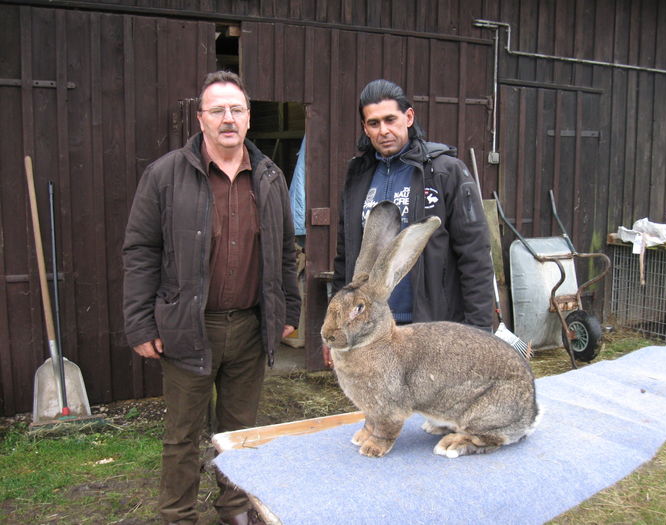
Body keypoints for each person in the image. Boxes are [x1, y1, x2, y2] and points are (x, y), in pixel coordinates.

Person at [122, 71, 300, 525]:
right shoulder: (164, 175)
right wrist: (141, 324)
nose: (227, 118)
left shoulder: (270, 177)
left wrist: (288, 310)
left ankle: (234, 508)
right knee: (182, 435)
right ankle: (177, 515)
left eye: (236, 109)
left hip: (248, 326)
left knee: (240, 432)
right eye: (217, 109)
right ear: (200, 118)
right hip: (187, 326)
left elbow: (283, 251)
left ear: (247, 120)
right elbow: (141, 251)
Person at [326, 79, 494, 366]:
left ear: (409, 117)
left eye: (391, 119)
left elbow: (475, 257)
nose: (384, 131)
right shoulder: (358, 176)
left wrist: (478, 333)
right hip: (371, 331)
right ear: (365, 129)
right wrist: (337, 325)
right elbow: (346, 257)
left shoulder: (445, 172)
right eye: (374, 123)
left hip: (429, 328)